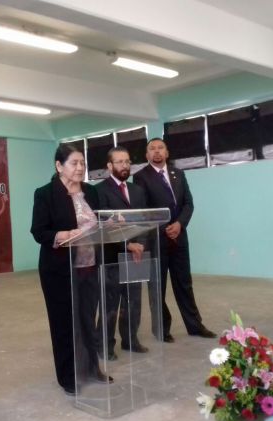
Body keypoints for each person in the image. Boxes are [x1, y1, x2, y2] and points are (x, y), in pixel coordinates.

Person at [31, 144, 112, 396]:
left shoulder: (91, 192)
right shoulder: (45, 193)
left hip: (89, 266)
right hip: (60, 270)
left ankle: (91, 368)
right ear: (59, 166)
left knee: (88, 320)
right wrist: (65, 234)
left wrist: (110, 224)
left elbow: (97, 222)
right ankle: (68, 376)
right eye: (74, 163)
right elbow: (39, 231)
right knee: (65, 323)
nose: (80, 168)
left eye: (82, 163)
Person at [133, 137, 216, 342]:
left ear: (167, 152)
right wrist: (164, 227)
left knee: (184, 284)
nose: (157, 152)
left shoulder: (178, 174)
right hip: (156, 241)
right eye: (152, 149)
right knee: (157, 287)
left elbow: (188, 204)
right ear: (147, 155)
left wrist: (179, 224)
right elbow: (144, 210)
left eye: (160, 148)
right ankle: (162, 329)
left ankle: (195, 325)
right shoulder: (140, 177)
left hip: (179, 238)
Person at [95, 146, 148, 360]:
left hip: (136, 256)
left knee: (133, 301)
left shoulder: (137, 191)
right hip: (112, 257)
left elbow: (145, 221)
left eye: (127, 161)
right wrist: (126, 246)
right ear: (109, 166)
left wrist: (141, 244)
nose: (124, 165)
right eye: (119, 162)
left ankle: (131, 340)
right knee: (110, 303)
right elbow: (103, 226)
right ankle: (104, 345)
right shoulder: (99, 191)